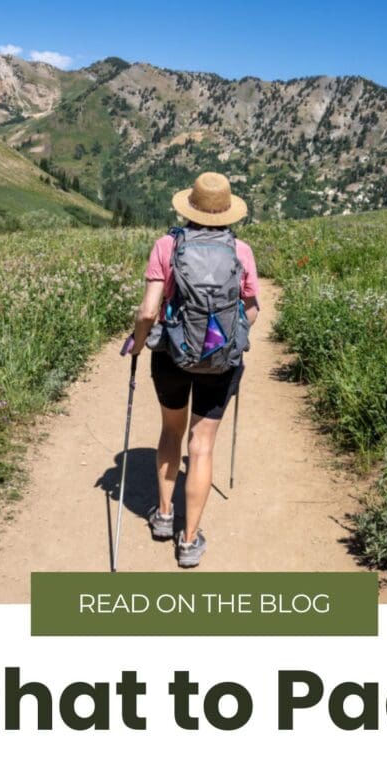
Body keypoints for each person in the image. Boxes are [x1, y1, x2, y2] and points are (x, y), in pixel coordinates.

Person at [129, 172, 260, 567]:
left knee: (171, 431)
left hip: (172, 356)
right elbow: (251, 311)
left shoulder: (167, 246)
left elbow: (149, 310)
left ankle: (165, 516)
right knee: (200, 447)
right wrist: (225, 340)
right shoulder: (241, 251)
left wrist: (137, 342)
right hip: (220, 362)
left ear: (189, 207)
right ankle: (189, 542)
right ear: (227, 213)